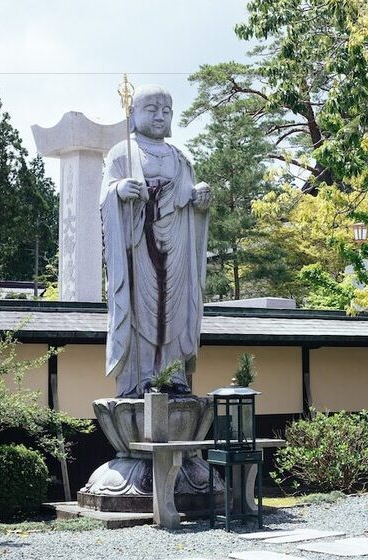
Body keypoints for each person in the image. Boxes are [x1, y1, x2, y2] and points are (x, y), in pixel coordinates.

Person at [100, 85, 211, 397]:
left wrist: (200, 199)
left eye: (166, 110)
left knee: (174, 309)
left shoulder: (181, 158)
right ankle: (141, 377)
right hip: (139, 244)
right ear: (133, 113)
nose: (160, 116)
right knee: (140, 310)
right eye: (151, 109)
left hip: (176, 245)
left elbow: (190, 201)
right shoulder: (122, 152)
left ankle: (173, 376)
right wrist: (119, 191)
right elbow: (106, 196)